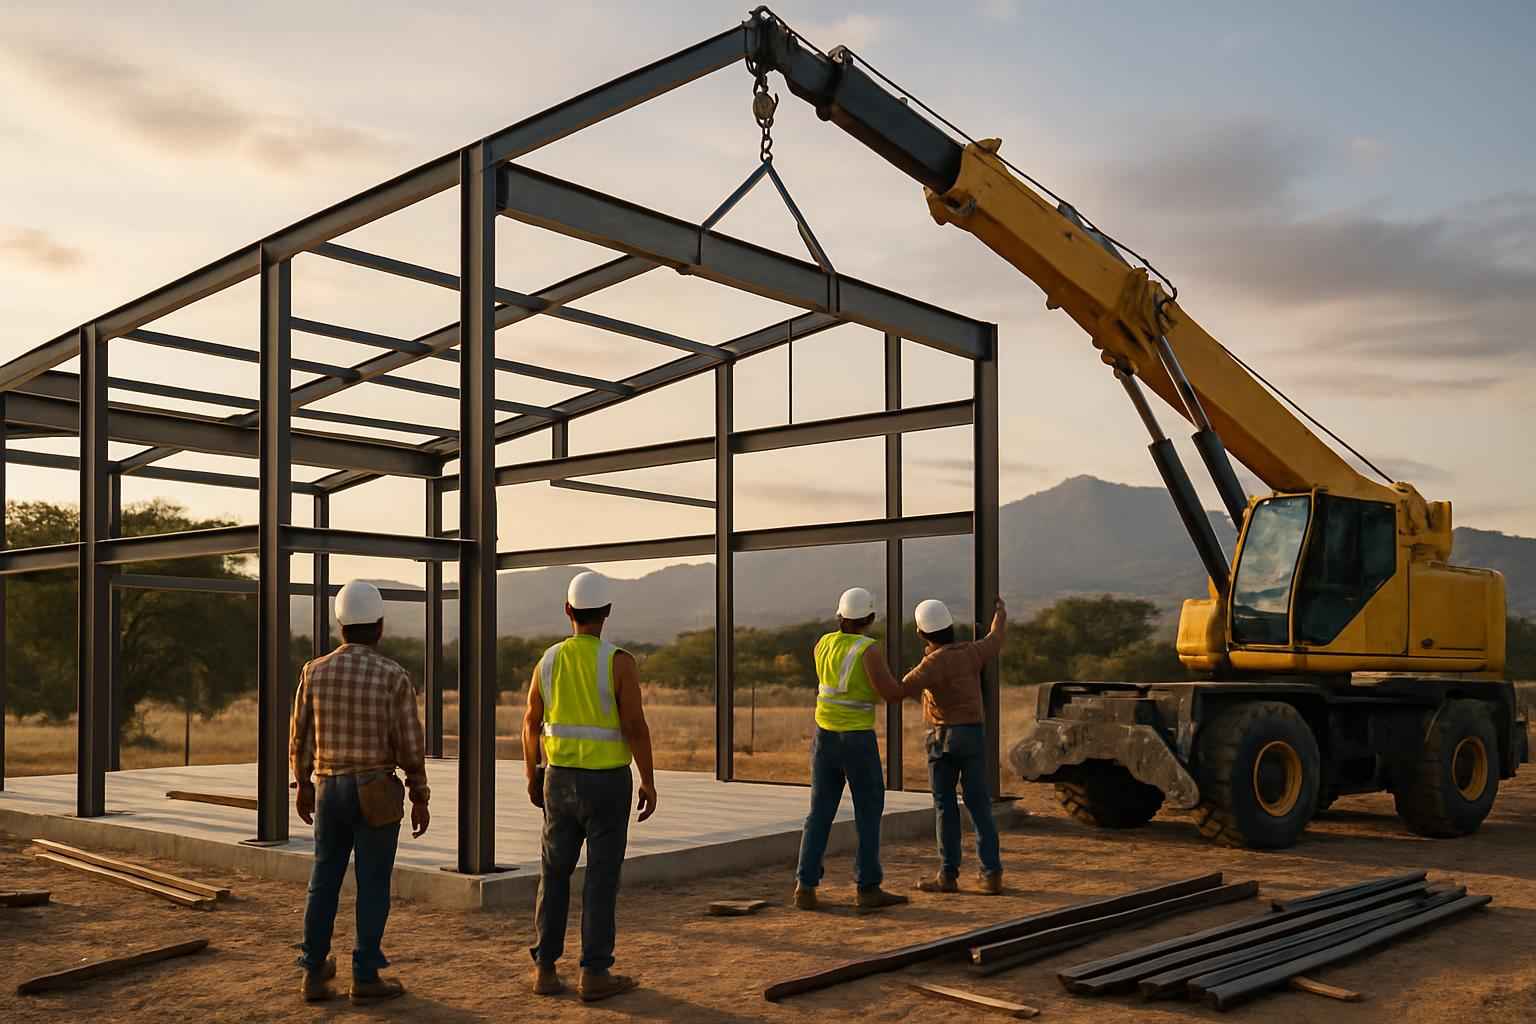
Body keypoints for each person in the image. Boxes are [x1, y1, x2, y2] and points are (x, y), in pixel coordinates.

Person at [289, 579, 430, 1004]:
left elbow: (300, 737)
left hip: (329, 787)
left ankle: (314, 971)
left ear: (340, 625)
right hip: (375, 789)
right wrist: (419, 792)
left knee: (324, 878)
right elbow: (410, 742)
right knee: (372, 884)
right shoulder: (393, 676)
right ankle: (365, 976)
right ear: (380, 626)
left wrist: (302, 784)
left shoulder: (314, 671)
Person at [524, 571, 658, 1003]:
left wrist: (532, 773)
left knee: (553, 874)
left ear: (568, 611)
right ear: (607, 613)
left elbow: (529, 721)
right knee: (601, 880)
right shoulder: (619, 662)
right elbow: (634, 725)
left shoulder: (546, 661)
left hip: (558, 780)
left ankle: (545, 969)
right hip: (607, 785)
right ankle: (595, 974)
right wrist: (649, 780)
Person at [793, 586, 910, 912]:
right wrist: (917, 681)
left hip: (824, 736)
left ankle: (805, 886)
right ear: (871, 617)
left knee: (819, 813)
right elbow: (890, 692)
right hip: (857, 739)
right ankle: (867, 888)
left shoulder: (823, 644)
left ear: (840, 616)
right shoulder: (868, 649)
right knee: (868, 813)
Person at [902, 595, 1008, 895]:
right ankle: (991, 874)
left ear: (922, 633)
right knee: (979, 805)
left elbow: (901, 688)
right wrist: (1000, 611)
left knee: (944, 806)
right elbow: (995, 637)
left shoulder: (929, 665)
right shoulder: (972, 653)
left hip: (941, 737)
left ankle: (948, 875)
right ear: (950, 626)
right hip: (973, 735)